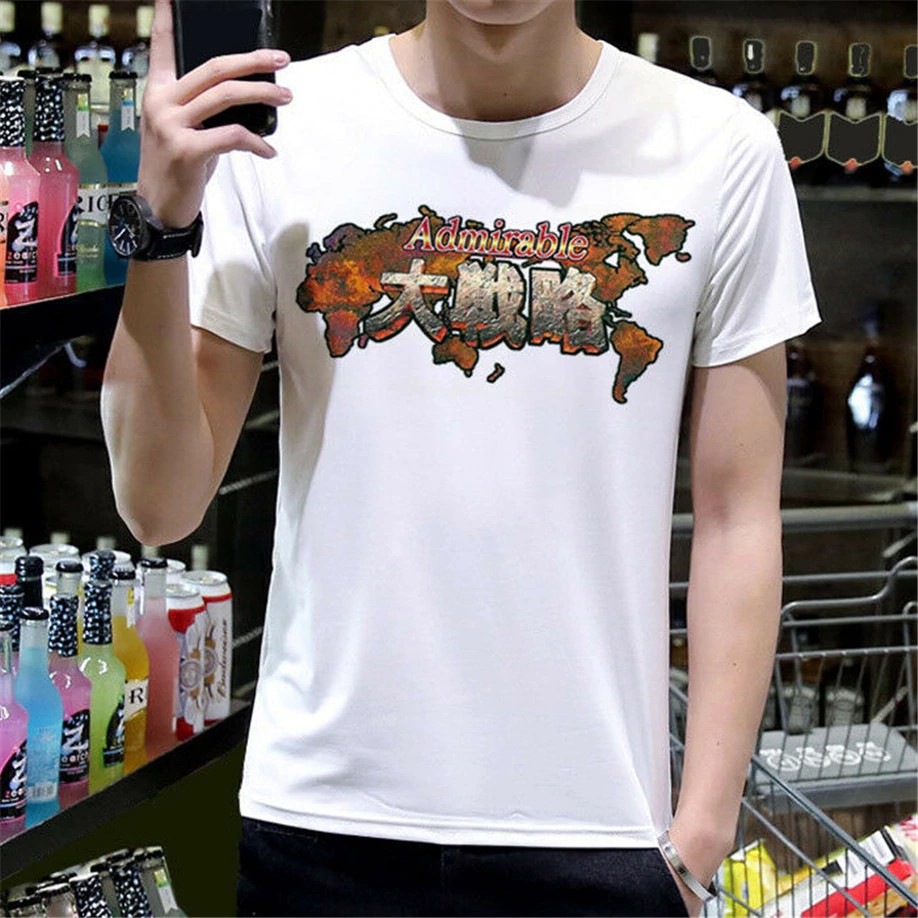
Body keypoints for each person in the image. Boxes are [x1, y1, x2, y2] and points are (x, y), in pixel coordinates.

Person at [100, 0, 821, 914]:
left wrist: (700, 839)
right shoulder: (277, 133)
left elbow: (737, 519)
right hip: (323, 822)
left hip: (600, 834)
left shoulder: (718, 148)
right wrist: (160, 222)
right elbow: (158, 505)